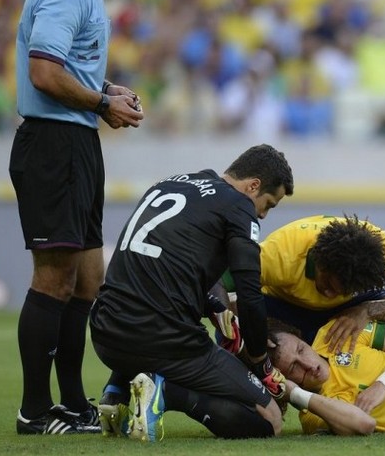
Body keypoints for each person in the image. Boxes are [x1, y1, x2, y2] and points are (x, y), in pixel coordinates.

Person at [9, 0, 144, 435]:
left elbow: (66, 63)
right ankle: (34, 410)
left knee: (88, 281)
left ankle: (70, 402)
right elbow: (43, 73)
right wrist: (101, 103)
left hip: (77, 143)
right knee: (54, 278)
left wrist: (104, 89)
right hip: (53, 145)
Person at [89, 144, 295, 441]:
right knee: (270, 420)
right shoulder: (238, 206)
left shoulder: (171, 183)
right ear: (253, 186)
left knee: (142, 308)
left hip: (104, 332)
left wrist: (212, 304)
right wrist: (260, 361)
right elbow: (249, 294)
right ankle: (166, 392)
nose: (262, 214)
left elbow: (160, 268)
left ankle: (116, 391)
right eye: (268, 204)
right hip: (163, 340)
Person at [218, 214, 385, 350]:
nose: (329, 294)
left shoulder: (381, 252)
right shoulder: (281, 252)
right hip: (283, 309)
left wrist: (368, 310)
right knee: (237, 322)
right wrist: (242, 329)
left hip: (347, 309)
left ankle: (365, 378)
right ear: (318, 259)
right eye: (327, 282)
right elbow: (217, 283)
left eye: (342, 290)